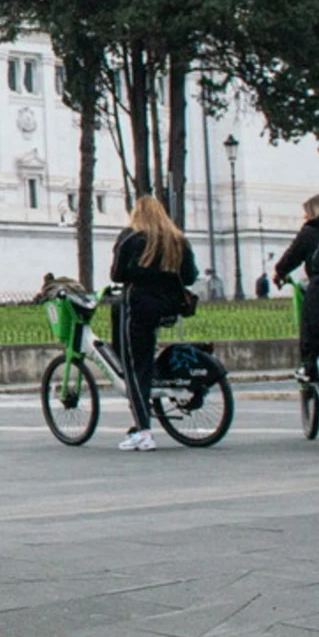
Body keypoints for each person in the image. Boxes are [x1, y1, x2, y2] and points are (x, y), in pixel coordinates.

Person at [108, 194, 198, 452]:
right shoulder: (177, 239)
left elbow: (117, 274)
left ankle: (143, 430)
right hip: (170, 305)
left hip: (140, 307)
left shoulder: (131, 237)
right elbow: (190, 276)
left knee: (136, 368)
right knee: (146, 358)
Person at [270, 195, 319, 381]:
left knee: (311, 330)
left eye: (306, 214)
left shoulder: (310, 231)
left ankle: (308, 369)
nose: (304, 218)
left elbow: (290, 258)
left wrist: (279, 273)